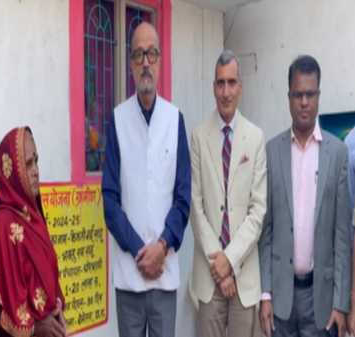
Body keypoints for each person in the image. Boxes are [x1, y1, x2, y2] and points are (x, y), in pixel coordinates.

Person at [101, 22, 191, 337]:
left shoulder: (174, 119)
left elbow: (183, 197)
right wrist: (142, 251)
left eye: (151, 53)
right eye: (138, 55)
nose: (146, 63)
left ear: (159, 59)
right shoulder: (118, 119)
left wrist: (162, 247)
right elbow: (110, 200)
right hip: (129, 275)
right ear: (130, 63)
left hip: (165, 276)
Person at [259, 55, 350, 337]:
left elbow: (341, 236)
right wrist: (265, 295)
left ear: (318, 95)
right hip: (281, 298)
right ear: (288, 97)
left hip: (320, 299)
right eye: (298, 94)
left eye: (310, 94)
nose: (304, 102)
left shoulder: (336, 153)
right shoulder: (273, 151)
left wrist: (341, 303)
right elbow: (267, 230)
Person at [189, 50, 267, 337]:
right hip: (209, 280)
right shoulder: (198, 136)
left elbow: (257, 211)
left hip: (244, 277)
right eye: (220, 83)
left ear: (241, 87)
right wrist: (219, 267)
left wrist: (229, 261)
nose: (226, 91)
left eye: (231, 83)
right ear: (213, 87)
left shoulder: (255, 138)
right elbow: (196, 209)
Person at [0, 126, 67, 337]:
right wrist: (36, 327)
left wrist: (58, 310)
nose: (36, 171)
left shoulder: (34, 218)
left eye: (36, 161)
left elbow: (49, 276)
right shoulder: (2, 224)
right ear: (11, 170)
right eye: (28, 164)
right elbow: (6, 303)